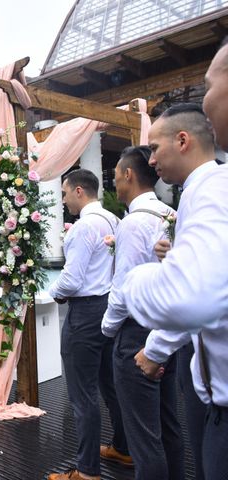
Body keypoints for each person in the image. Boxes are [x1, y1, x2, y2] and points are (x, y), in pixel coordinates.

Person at [121, 102, 228, 479]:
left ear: (183, 141)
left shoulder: (210, 189)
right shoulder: (200, 193)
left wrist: (132, 283)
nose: (150, 160)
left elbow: (193, 295)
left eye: (154, 148)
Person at [100, 147, 184, 479]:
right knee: (168, 426)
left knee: (143, 438)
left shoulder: (133, 223)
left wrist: (107, 329)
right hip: (168, 329)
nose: (115, 183)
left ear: (128, 175)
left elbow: (124, 290)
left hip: (136, 334)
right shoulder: (170, 214)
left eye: (117, 175)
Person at [47, 169, 130, 480]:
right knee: (111, 385)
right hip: (110, 309)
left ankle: (86, 471)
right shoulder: (114, 220)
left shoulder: (83, 227)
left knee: (83, 394)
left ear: (79, 191)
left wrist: (53, 293)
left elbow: (71, 279)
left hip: (85, 315)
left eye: (65, 193)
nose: (64, 199)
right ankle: (123, 447)